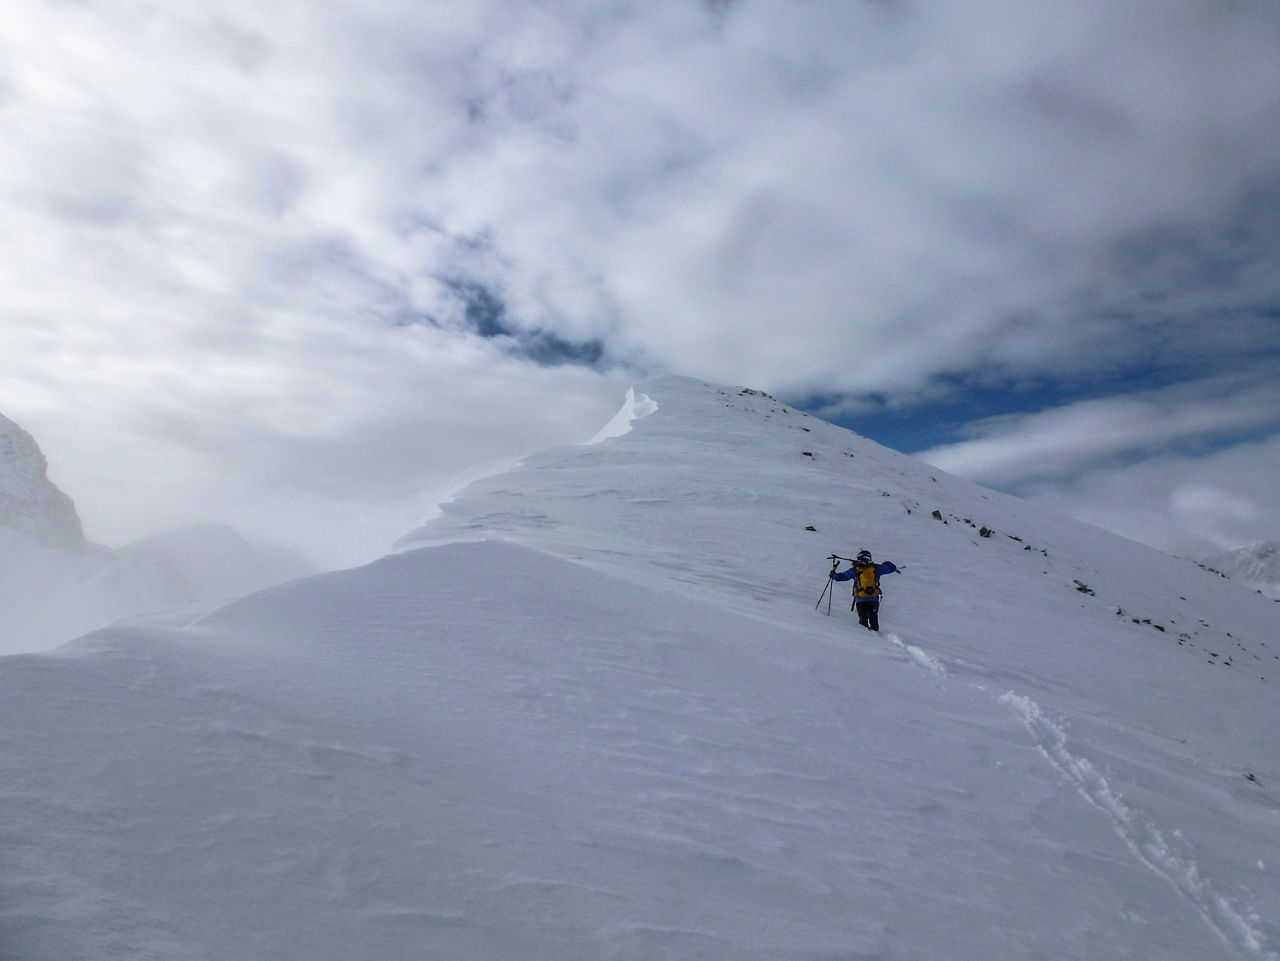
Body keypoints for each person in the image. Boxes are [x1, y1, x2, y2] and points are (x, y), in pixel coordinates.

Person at [830, 549, 899, 631]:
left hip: (861, 599)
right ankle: (876, 636)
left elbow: (840, 577)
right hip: (874, 598)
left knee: (863, 619)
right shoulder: (876, 568)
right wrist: (885, 563)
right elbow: (892, 568)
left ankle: (864, 638)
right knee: (873, 618)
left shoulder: (855, 570)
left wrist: (833, 575)